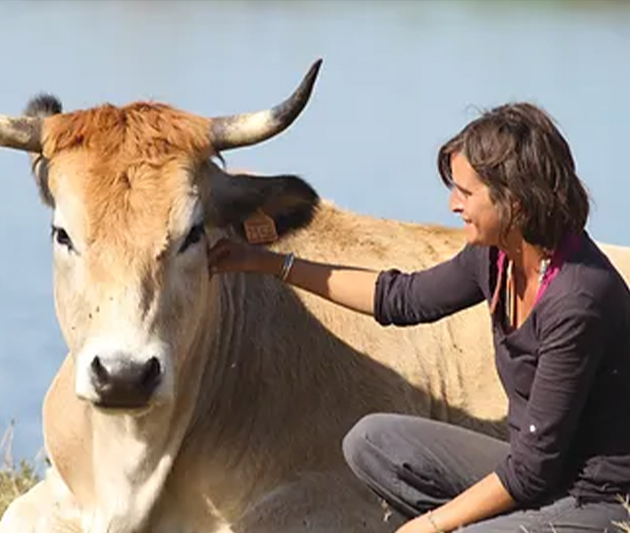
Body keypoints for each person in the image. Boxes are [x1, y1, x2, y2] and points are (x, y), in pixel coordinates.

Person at [207, 102, 630, 532]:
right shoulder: (497, 258)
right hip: (531, 472)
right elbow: (401, 299)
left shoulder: (578, 299)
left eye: (466, 193)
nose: (452, 204)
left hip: (592, 495)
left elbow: (533, 469)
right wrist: (269, 264)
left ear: (516, 202)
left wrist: (431, 524)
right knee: (370, 442)